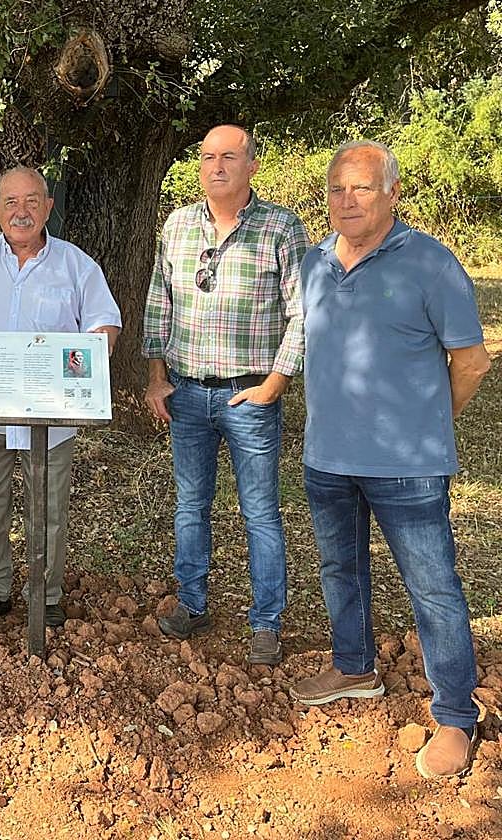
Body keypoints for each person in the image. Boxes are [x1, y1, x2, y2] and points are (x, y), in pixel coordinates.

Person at [290, 140, 490, 779]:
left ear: (392, 194)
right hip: (327, 458)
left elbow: (472, 361)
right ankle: (353, 668)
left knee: (433, 589)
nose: (347, 200)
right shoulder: (314, 263)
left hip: (407, 464)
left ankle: (456, 715)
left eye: (363, 188)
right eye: (337, 189)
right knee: (339, 570)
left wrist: (429, 421)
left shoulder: (433, 265)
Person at [142, 125, 308, 665]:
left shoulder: (281, 228)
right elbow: (158, 301)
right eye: (208, 157)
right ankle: (192, 604)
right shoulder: (179, 225)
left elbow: (302, 315)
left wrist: (274, 385)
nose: (217, 167)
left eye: (229, 157)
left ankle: (266, 623)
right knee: (191, 505)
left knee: (259, 511)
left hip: (249, 397)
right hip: (188, 394)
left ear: (251, 166)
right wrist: (156, 377)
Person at [0, 166, 121, 629]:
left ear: (48, 206)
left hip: (53, 417)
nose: (21, 212)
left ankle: (46, 593)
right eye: (10, 202)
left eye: (31, 201)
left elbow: (105, 325)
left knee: (50, 509)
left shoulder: (76, 265)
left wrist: (79, 375)